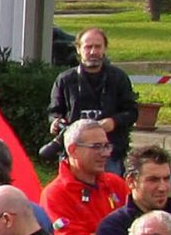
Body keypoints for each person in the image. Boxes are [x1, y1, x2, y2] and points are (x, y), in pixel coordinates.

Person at [49, 27, 140, 168]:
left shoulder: (118, 78)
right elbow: (54, 112)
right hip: (74, 153)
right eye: (88, 47)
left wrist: (114, 122)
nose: (93, 52)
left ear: (105, 49)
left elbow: (132, 112)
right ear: (78, 49)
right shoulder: (65, 79)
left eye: (98, 47)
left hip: (109, 154)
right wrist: (55, 122)